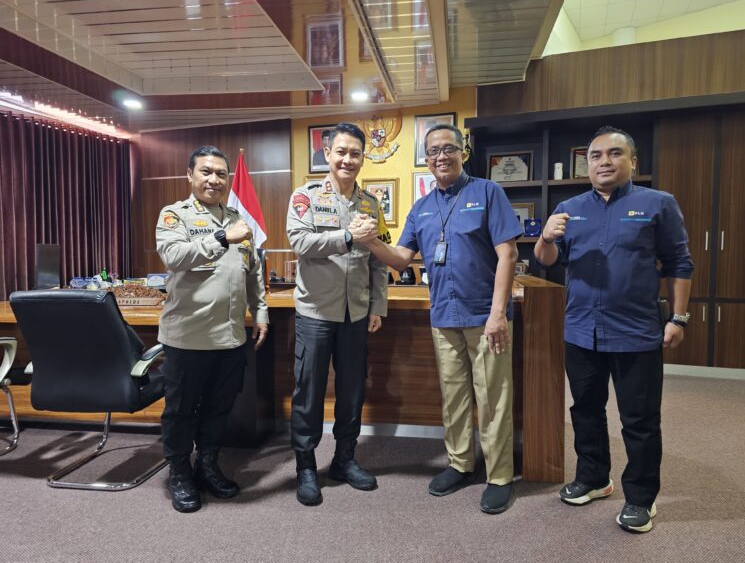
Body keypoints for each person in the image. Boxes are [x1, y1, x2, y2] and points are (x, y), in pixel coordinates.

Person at [356, 123, 523, 514]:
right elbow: (401, 259)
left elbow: (508, 254)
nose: (441, 156)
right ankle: (461, 464)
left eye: (448, 148)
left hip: (485, 316)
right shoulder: (422, 208)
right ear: (426, 159)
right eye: (433, 151)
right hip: (443, 316)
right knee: (454, 396)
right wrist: (370, 241)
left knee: (493, 397)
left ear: (463, 152)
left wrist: (498, 314)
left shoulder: (488, 192)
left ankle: (499, 476)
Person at [533, 126, 693, 533]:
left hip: (635, 333)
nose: (604, 161)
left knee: (639, 419)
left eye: (614, 154)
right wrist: (545, 238)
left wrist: (678, 317)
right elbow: (547, 259)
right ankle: (593, 478)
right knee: (585, 410)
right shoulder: (569, 207)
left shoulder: (657, 203)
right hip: (580, 330)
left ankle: (641, 498)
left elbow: (679, 263)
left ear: (632, 161)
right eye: (596, 155)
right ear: (587, 164)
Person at [156, 145, 269, 513]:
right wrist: (221, 238)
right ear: (190, 175)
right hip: (187, 337)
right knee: (180, 411)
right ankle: (179, 473)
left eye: (221, 173)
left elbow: (253, 272)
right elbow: (173, 255)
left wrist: (261, 312)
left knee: (219, 409)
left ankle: (207, 466)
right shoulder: (175, 215)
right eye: (206, 172)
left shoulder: (239, 219)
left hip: (230, 337)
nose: (214, 179)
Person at [286, 122, 390, 506]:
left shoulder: (371, 204)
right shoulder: (306, 196)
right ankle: (306, 466)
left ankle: (344, 459)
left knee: (352, 390)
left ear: (363, 158)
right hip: (315, 311)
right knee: (309, 391)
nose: (348, 159)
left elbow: (379, 260)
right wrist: (348, 237)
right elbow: (299, 241)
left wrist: (377, 305)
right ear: (327, 153)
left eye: (355, 153)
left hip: (356, 314)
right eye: (341, 152)